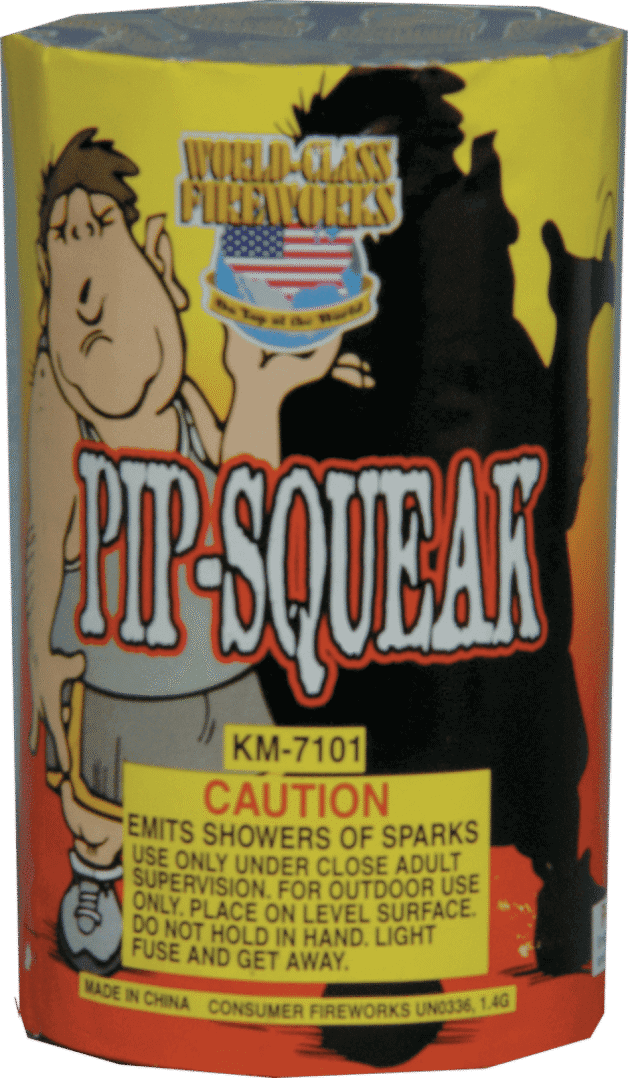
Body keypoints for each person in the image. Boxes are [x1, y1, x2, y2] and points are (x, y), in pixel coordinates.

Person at [27, 128, 371, 976]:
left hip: (223, 675)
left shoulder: (184, 401)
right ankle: (96, 885)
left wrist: (269, 382)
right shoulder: (63, 416)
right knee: (102, 815)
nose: (89, 294)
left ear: (157, 257)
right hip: (121, 678)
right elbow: (42, 546)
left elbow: (243, 502)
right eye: (66, 240)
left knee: (253, 818)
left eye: (97, 228)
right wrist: (40, 655)